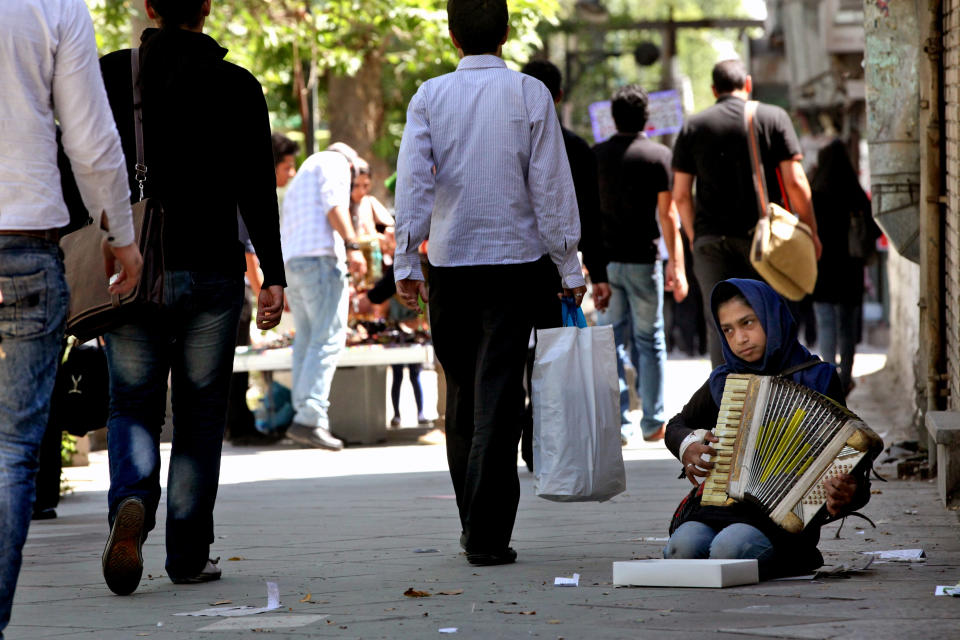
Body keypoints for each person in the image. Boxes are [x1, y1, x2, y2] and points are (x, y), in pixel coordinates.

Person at [97, 0, 285, 595]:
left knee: (132, 404)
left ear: (150, 7)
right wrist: (272, 275)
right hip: (211, 270)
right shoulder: (236, 84)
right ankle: (187, 554)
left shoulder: (110, 75)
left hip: (129, 268)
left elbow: (78, 159)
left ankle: (131, 498)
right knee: (202, 416)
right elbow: (258, 188)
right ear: (206, 9)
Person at [394, 0, 586, 566]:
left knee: (462, 396)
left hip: (451, 266)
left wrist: (407, 256)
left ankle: (472, 523)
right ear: (505, 32)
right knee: (500, 397)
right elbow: (551, 187)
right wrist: (568, 264)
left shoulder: (429, 96)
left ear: (452, 35)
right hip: (515, 267)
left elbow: (413, 181)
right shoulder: (530, 94)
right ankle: (486, 534)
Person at [0, 0, 143, 631]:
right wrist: (120, 231)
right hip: (22, 240)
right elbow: (89, 136)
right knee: (8, 452)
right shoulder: (53, 5)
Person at [663, 278, 871, 579]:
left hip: (783, 519)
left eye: (748, 323)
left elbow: (851, 460)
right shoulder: (725, 381)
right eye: (728, 330)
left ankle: (795, 556)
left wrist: (845, 491)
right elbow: (676, 426)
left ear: (772, 318)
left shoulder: (818, 379)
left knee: (728, 551)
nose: (739, 339)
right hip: (721, 509)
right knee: (681, 549)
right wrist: (687, 446)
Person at [672, 59, 821, 368]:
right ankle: (772, 404)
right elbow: (795, 182)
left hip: (710, 243)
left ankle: (729, 404)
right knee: (768, 321)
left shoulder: (692, 127)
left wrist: (694, 238)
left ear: (714, 90)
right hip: (763, 244)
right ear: (749, 84)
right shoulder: (772, 117)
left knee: (721, 327)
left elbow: (682, 195)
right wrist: (811, 233)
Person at [518, 59, 609, 469]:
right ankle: (542, 438)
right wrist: (596, 272)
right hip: (554, 272)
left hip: (512, 267)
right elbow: (589, 215)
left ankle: (522, 434)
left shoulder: (506, 141)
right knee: (551, 357)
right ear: (557, 96)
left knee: (518, 354)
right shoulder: (575, 147)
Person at [592, 84, 689, 444]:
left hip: (605, 265)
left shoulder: (595, 155)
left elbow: (585, 214)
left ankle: (620, 424)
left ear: (613, 118)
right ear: (646, 118)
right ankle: (653, 422)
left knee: (610, 340)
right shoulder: (659, 156)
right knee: (650, 340)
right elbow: (669, 216)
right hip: (644, 262)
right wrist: (675, 265)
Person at [281, 142, 367, 450]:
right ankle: (310, 417)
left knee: (306, 339)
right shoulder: (336, 164)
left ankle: (304, 413)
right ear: (351, 161)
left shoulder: (305, 171)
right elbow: (335, 205)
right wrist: (353, 246)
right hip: (319, 260)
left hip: (295, 262)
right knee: (327, 338)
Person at [227, 133, 300, 446]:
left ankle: (237, 424)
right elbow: (247, 252)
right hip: (236, 288)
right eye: (287, 166)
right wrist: (264, 292)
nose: (292, 173)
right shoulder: (247, 191)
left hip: (228, 285)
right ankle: (239, 427)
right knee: (236, 363)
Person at [811, 139, 879, 395]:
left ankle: (829, 378)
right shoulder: (855, 193)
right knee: (847, 328)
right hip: (850, 272)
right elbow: (872, 230)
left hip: (822, 272)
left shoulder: (815, 195)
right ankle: (846, 376)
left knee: (826, 325)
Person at [350, 159, 395, 238]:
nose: (361, 191)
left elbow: (389, 225)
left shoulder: (369, 202)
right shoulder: (341, 207)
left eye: (365, 185)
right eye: (356, 186)